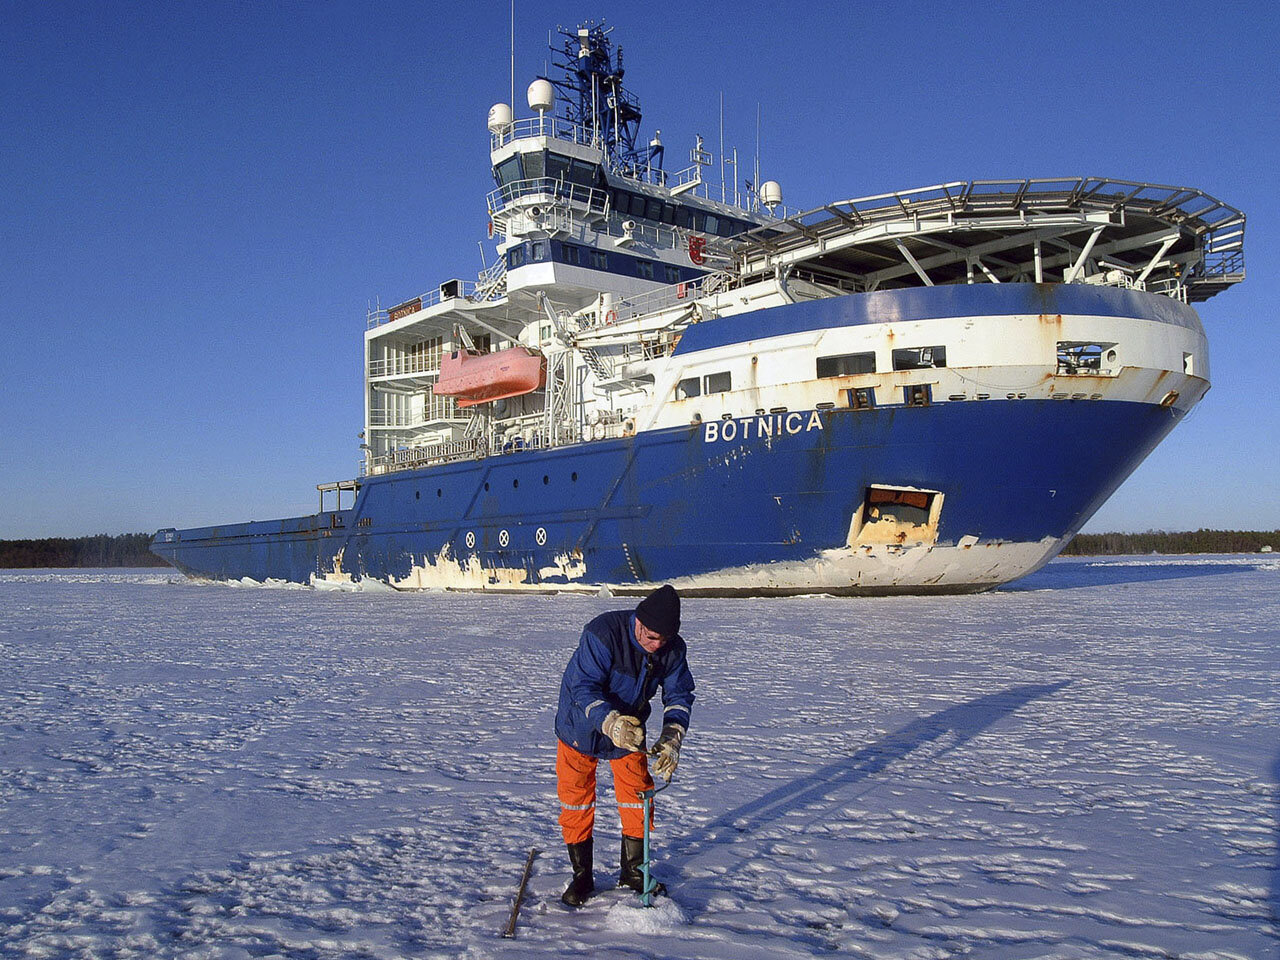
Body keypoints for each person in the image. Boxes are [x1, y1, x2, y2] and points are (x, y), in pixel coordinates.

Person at [554, 584, 695, 906]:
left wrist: (673, 737)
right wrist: (609, 722)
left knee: (638, 796)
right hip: (581, 726)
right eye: (651, 637)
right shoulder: (602, 633)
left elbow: (679, 695)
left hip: (630, 732)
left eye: (664, 639)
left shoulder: (672, 649)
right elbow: (583, 686)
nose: (656, 645)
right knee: (576, 799)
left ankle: (633, 870)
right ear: (639, 622)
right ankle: (581, 875)